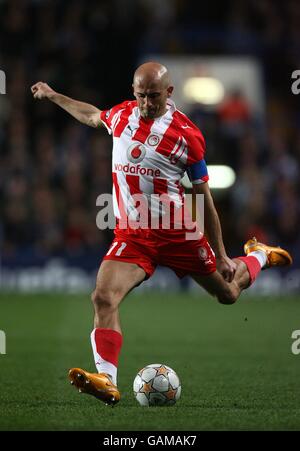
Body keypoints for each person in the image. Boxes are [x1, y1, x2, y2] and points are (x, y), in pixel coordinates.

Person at [31, 62, 292, 406]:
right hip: (133, 237)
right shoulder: (122, 116)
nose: (146, 103)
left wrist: (223, 252)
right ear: (133, 91)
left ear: (169, 93)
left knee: (228, 293)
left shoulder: (187, 135)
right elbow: (92, 115)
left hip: (179, 235)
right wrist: (53, 96)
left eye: (153, 96)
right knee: (102, 297)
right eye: (140, 95)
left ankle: (257, 254)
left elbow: (203, 199)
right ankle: (107, 380)